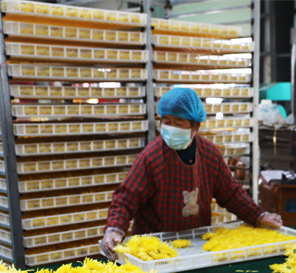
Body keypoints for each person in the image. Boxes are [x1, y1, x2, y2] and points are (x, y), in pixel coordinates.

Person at [99, 87, 282, 260]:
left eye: (179, 124)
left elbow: (231, 194)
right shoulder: (151, 157)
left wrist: (258, 216)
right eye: (166, 122)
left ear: (195, 126)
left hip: (195, 245)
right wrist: (114, 229)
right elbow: (125, 199)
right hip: (154, 248)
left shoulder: (210, 154)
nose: (171, 128)